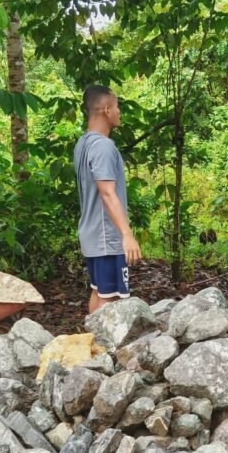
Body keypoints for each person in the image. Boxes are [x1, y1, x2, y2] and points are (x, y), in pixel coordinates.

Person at [73, 85, 142, 315]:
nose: (119, 111)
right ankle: (107, 350)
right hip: (107, 238)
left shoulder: (84, 143)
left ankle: (92, 345)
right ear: (105, 110)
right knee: (111, 300)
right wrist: (127, 234)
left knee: (99, 292)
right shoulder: (103, 146)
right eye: (117, 106)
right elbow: (107, 192)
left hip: (93, 235)